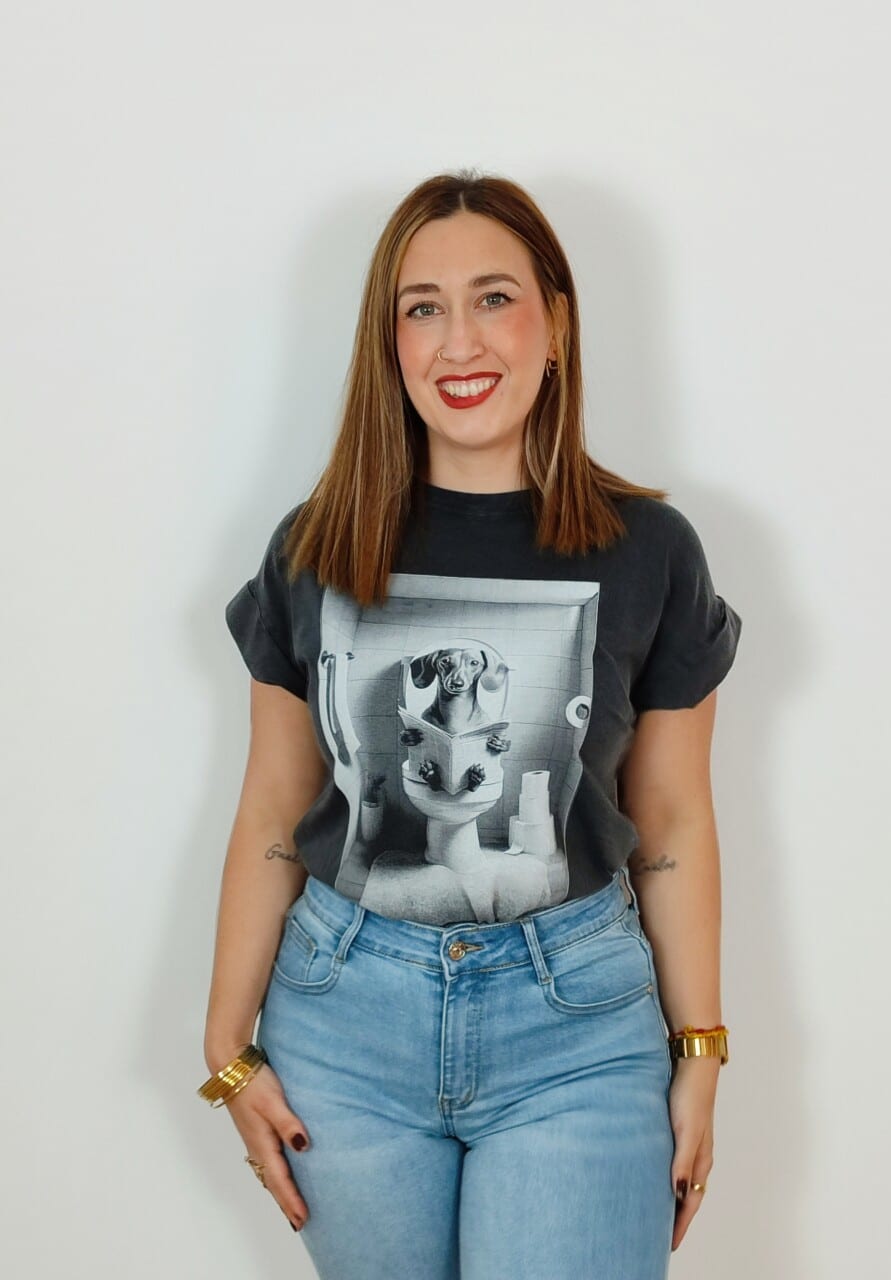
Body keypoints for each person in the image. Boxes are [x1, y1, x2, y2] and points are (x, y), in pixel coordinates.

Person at [199, 169, 742, 1279]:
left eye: (495, 297)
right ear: (389, 342)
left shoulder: (650, 550)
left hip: (576, 1031)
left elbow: (674, 816)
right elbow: (272, 807)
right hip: (345, 1026)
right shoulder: (315, 545)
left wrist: (701, 1048)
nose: (460, 342)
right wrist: (226, 1046)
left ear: (557, 324)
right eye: (423, 307)